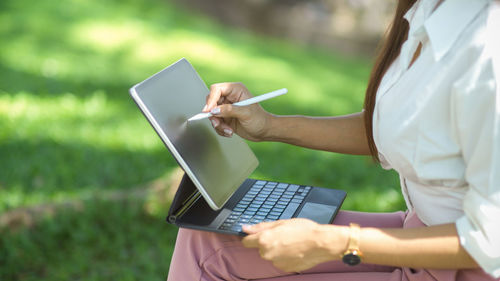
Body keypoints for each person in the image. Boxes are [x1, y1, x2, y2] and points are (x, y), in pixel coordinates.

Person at [167, 0, 500, 280]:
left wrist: (336, 242)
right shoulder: (428, 12)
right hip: (415, 233)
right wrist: (269, 125)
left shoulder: (486, 49)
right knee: (203, 238)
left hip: (460, 265)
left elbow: (490, 241)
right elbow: (403, 129)